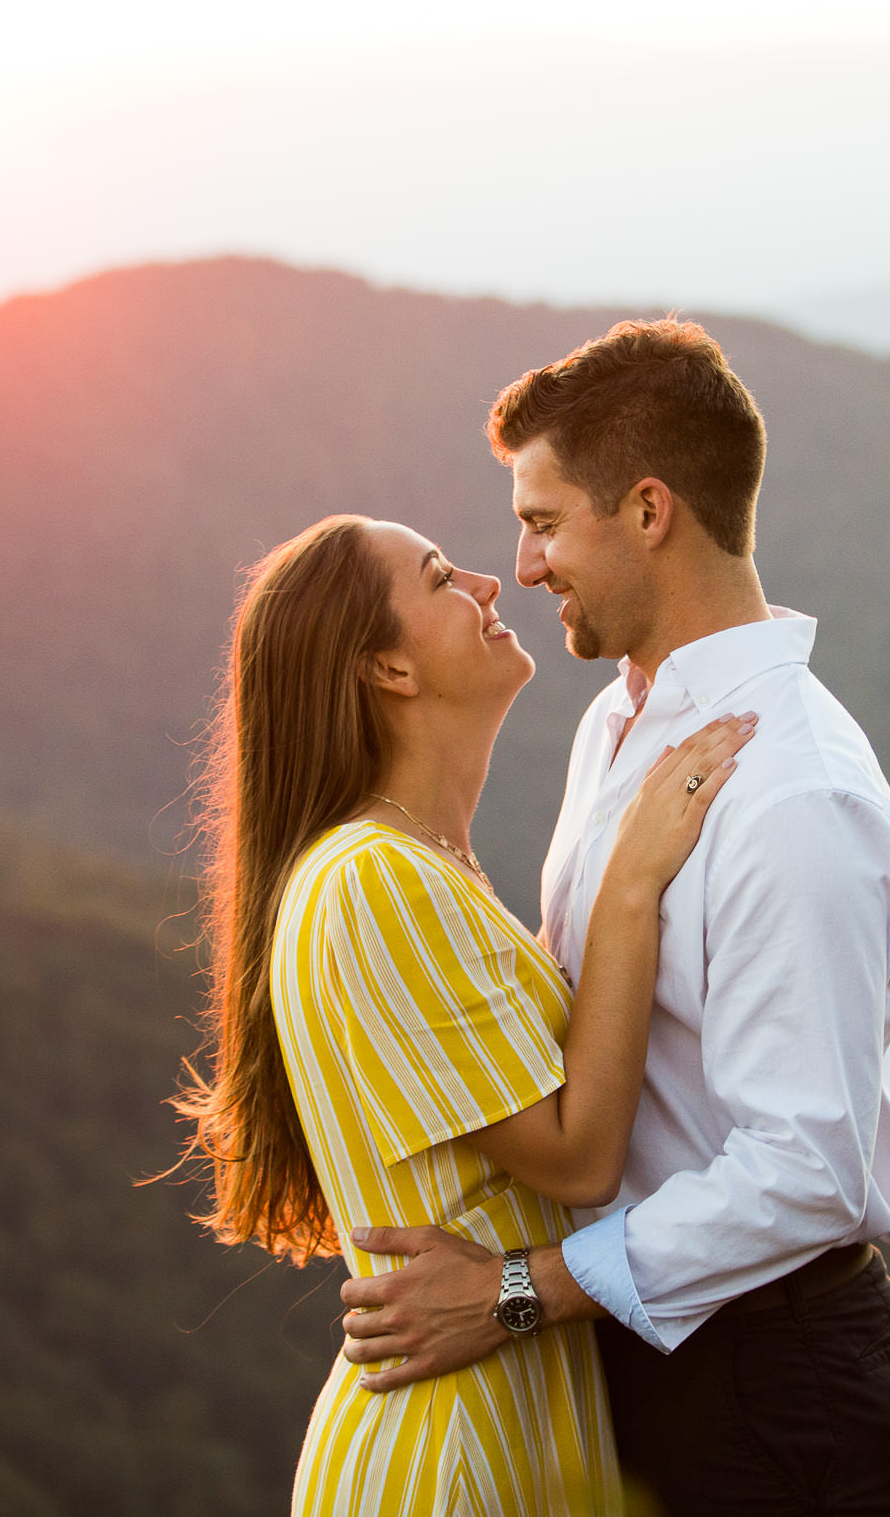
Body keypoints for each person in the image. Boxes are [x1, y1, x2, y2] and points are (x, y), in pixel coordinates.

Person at [336, 320, 890, 1516]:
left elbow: (807, 1169)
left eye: (546, 520)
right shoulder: (616, 722)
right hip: (650, 1355)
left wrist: (515, 1289)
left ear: (651, 512)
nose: (521, 565)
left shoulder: (793, 795)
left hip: (767, 1390)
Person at [174, 510, 757, 1515]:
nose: (490, 582)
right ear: (387, 671)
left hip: (502, 1434)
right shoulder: (374, 880)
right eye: (441, 577)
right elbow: (578, 1157)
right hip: (453, 1462)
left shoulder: (421, 871)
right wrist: (631, 886)